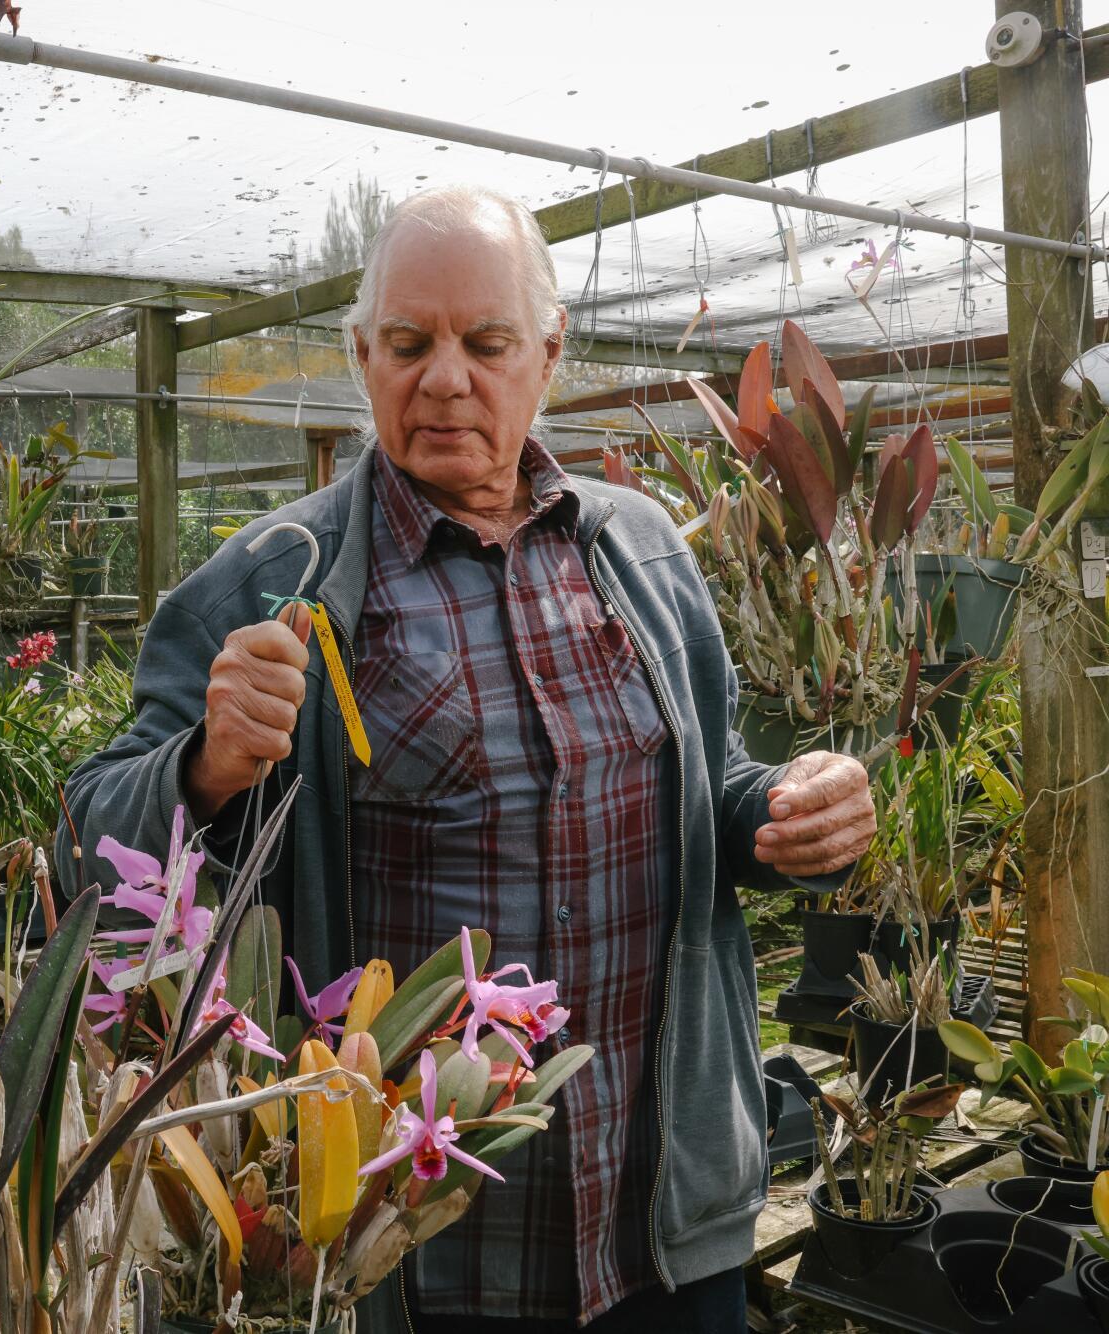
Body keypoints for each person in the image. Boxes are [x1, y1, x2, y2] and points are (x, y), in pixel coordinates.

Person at [58, 185, 875, 1333]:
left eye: (484, 343)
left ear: (546, 354)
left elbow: (711, 782)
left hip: (657, 1220)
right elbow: (86, 847)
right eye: (407, 343)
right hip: (406, 1242)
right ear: (359, 354)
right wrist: (205, 764)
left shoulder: (634, 552)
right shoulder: (271, 579)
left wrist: (783, 815)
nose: (444, 377)